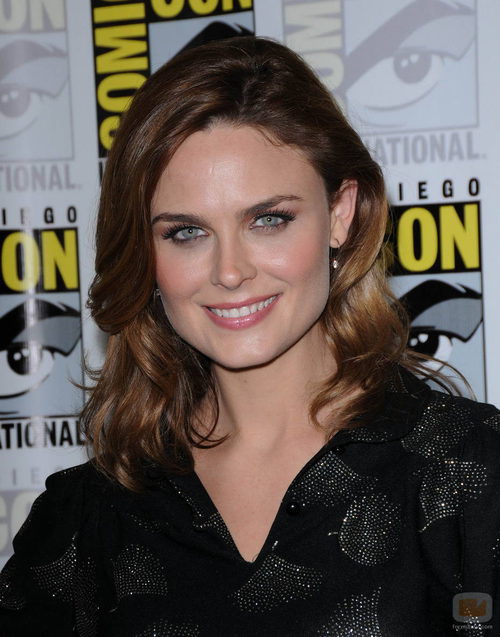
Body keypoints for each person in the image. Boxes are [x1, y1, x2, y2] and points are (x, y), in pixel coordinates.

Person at [0, 35, 499, 637]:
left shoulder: (469, 472)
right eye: (186, 232)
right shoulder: (85, 520)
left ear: (341, 214)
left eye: (268, 219)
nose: (230, 272)